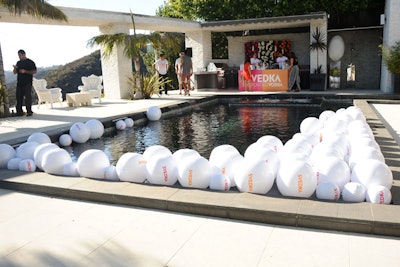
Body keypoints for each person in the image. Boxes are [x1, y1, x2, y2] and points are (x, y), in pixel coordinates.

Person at [13, 49, 37, 116]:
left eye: (20, 55)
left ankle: (29, 111)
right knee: (19, 98)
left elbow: (34, 71)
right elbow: (14, 73)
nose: (19, 57)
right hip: (19, 83)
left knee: (28, 98)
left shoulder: (30, 62)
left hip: (27, 83)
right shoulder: (18, 63)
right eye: (18, 55)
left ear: (24, 54)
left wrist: (25, 71)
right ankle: (19, 112)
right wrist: (15, 68)